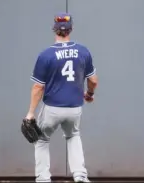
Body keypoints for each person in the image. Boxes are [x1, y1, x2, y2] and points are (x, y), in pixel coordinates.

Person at [25, 13, 98, 183]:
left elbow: (38, 87)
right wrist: (89, 94)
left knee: (42, 139)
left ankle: (43, 179)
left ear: (54, 29)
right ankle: (80, 176)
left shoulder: (46, 55)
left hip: (52, 108)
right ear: (71, 29)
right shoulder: (82, 51)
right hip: (75, 108)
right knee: (73, 136)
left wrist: (30, 113)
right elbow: (93, 80)